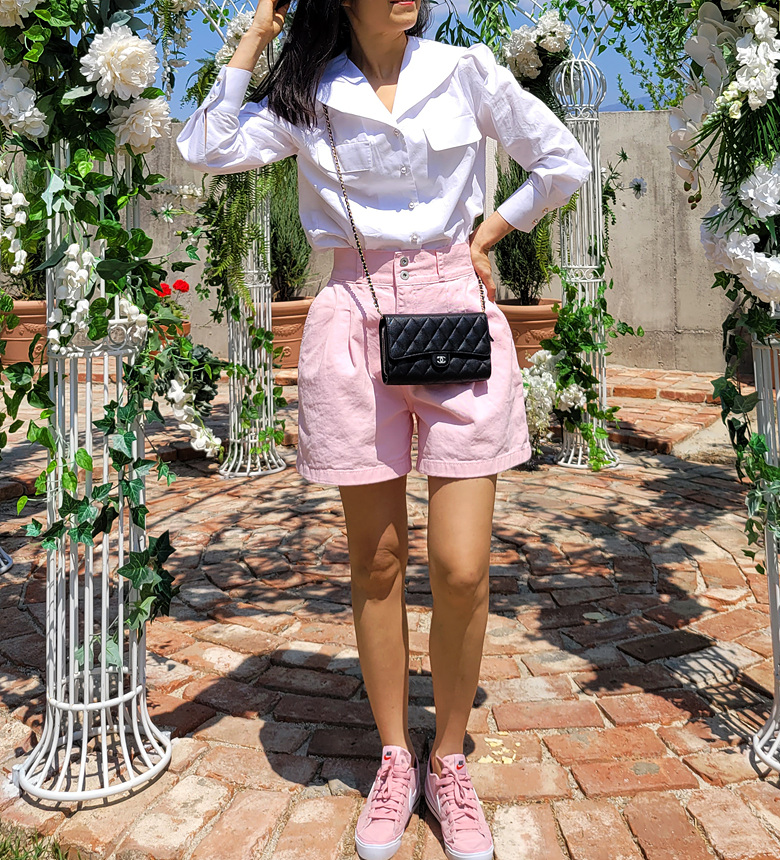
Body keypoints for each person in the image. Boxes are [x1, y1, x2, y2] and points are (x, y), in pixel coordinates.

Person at [177, 2, 591, 858]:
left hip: (454, 310)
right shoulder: (309, 93)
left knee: (461, 568)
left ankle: (451, 758)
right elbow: (208, 146)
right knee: (376, 562)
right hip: (351, 319)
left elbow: (562, 160)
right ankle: (397, 757)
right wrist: (254, 38)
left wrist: (492, 230)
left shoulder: (463, 71)